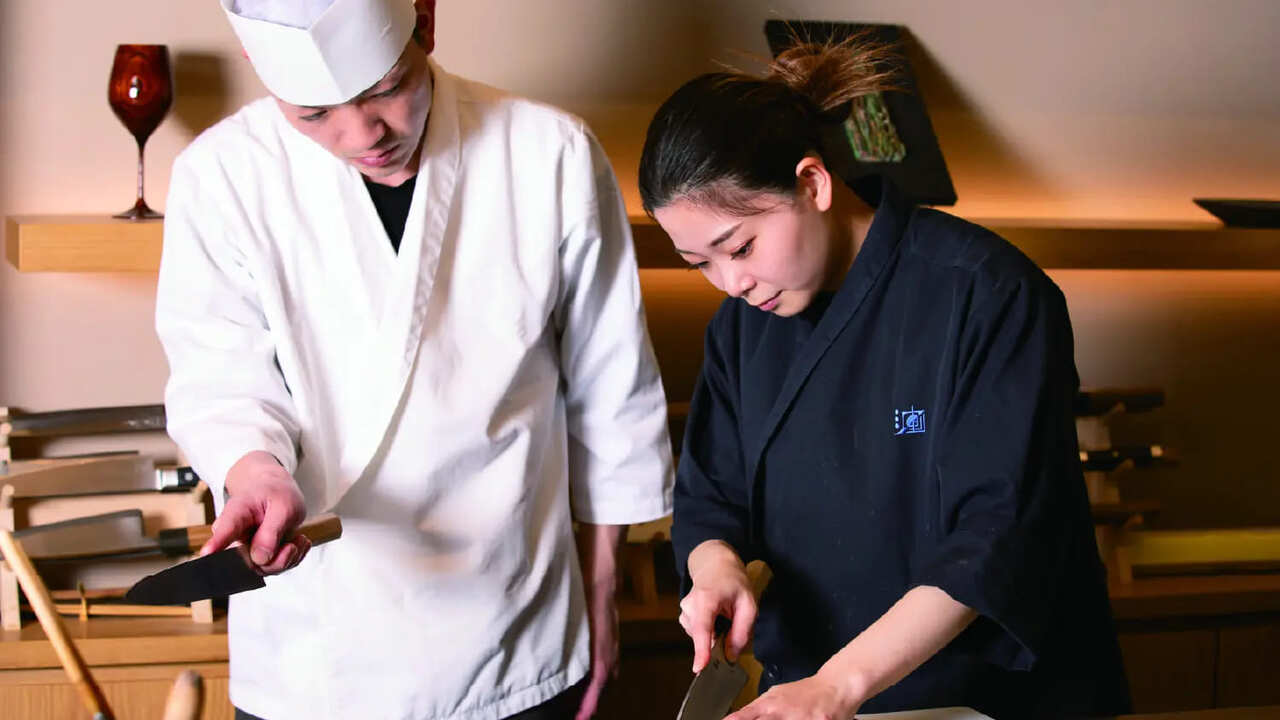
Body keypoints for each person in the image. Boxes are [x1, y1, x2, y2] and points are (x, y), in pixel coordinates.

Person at [155, 1, 673, 719]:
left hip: (516, 630)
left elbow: (609, 386)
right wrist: (254, 471)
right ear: (258, 69)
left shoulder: (548, 152)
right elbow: (220, 376)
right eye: (313, 115)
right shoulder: (220, 178)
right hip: (318, 648)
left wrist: (603, 588)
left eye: (386, 87)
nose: (362, 133)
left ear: (425, 17)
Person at [639, 36, 1131, 720]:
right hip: (815, 695)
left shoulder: (987, 293)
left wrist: (839, 685)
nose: (732, 282)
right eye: (702, 264)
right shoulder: (740, 329)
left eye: (740, 247)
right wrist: (715, 567)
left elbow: (995, 539)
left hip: (985, 702)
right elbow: (710, 496)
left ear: (812, 184)